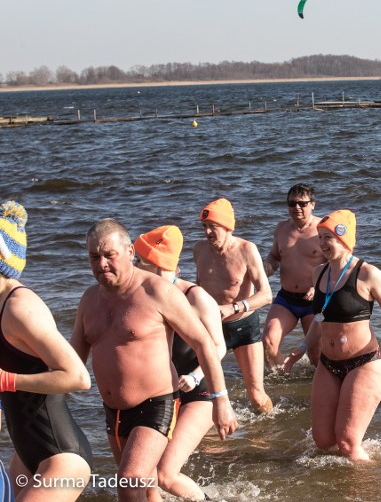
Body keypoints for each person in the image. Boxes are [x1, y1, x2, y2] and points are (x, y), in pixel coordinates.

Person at [72, 218, 237, 502]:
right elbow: (72, 360)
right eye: (94, 257)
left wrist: (221, 400)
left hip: (155, 404)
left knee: (128, 482)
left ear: (129, 252)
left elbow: (205, 344)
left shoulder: (156, 291)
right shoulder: (89, 300)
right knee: (146, 488)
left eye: (109, 255)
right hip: (114, 411)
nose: (102, 264)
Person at [284, 210, 381, 461]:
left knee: (348, 443)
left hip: (364, 363)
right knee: (323, 441)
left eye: (328, 237)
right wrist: (303, 345)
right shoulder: (318, 273)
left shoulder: (368, 274)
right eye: (320, 237)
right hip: (328, 364)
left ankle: (370, 488)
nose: (322, 244)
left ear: (344, 238)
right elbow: (321, 319)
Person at [0, 201, 92, 501]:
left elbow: (77, 377)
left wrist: (8, 381)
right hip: (27, 454)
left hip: (63, 458)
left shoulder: (20, 307)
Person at [132, 225, 227, 502]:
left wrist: (196, 376)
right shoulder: (143, 295)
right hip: (160, 395)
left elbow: (219, 347)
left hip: (198, 393)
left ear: (155, 262)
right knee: (147, 480)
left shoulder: (195, 298)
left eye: (138, 260)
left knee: (165, 474)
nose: (134, 265)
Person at [194, 198, 273, 413]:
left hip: (243, 325)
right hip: (210, 328)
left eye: (213, 227)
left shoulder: (247, 250)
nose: (208, 232)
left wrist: (233, 308)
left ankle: (268, 431)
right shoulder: (199, 250)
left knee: (256, 395)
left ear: (228, 227)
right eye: (205, 227)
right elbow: (197, 288)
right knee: (203, 394)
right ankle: (211, 440)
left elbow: (266, 295)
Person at [262, 184, 325, 369]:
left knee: (317, 356)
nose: (296, 207)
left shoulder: (322, 229)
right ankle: (284, 376)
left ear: (313, 204)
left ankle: (317, 390)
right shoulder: (282, 228)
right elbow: (274, 256)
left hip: (314, 301)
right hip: (286, 299)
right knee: (267, 343)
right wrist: (268, 265)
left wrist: (317, 285)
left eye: (302, 203)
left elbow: (335, 264)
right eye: (292, 203)